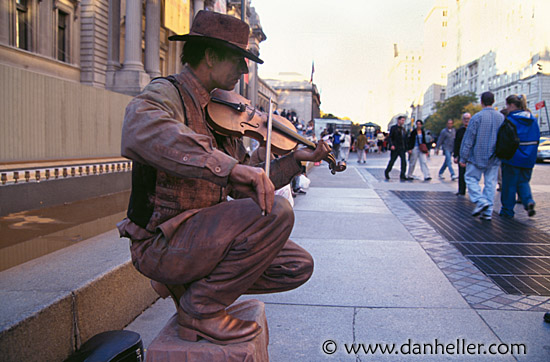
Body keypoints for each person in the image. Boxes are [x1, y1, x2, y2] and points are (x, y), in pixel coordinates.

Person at [116, 11, 331, 345]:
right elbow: (137, 129)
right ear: (211, 56)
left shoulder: (222, 109)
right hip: (161, 242)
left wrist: (294, 159)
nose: (245, 71)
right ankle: (199, 310)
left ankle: (190, 289)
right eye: (238, 60)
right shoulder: (166, 92)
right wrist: (227, 166)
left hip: (203, 238)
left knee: (296, 265)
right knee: (277, 212)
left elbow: (246, 178)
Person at [459, 92, 504, 221]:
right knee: (490, 183)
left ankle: (480, 200)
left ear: (481, 101)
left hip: (477, 155)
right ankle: (488, 212)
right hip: (494, 156)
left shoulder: (477, 117)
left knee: (470, 178)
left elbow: (469, 139)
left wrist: (463, 157)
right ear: (493, 101)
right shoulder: (500, 117)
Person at [499, 94, 540, 218]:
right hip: (529, 158)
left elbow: (504, 140)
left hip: (512, 158)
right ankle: (528, 201)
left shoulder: (509, 120)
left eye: (507, 105)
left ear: (512, 105)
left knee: (509, 185)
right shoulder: (533, 119)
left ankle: (507, 211)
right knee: (523, 182)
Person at [384, 116, 410, 180]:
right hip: (395, 148)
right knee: (392, 161)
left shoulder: (403, 129)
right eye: (402, 120)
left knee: (404, 162)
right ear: (398, 120)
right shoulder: (393, 128)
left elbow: (405, 139)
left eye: (404, 120)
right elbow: (390, 137)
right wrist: (392, 145)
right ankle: (387, 171)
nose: (403, 122)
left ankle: (402, 175)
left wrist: (407, 148)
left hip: (402, 148)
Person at [453, 113, 471, 195]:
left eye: (468, 118)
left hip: (471, 155)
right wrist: (455, 155)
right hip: (462, 154)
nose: (466, 120)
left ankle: (471, 191)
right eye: (465, 118)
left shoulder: (473, 130)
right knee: (461, 173)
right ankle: (461, 190)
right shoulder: (460, 131)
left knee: (471, 174)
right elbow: (456, 143)